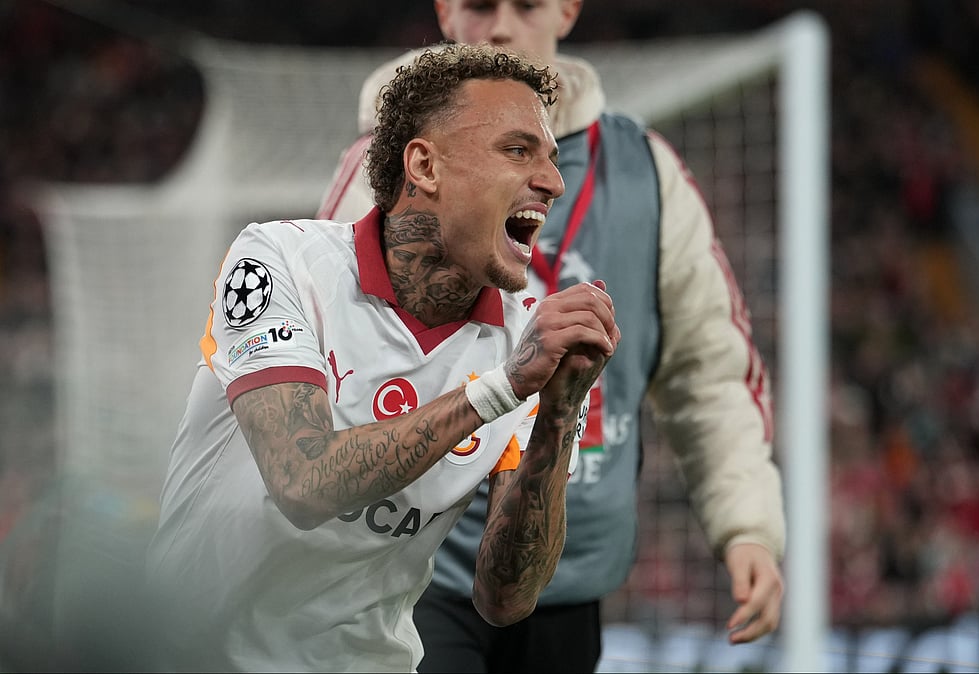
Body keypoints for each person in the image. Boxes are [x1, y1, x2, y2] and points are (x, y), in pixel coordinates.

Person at [317, 2, 785, 672]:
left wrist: (748, 528)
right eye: (480, 5)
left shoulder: (646, 174)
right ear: (447, 12)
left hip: (570, 569)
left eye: (526, 4)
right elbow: (338, 352)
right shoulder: (385, 169)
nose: (501, 26)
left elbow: (708, 371)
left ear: (566, 9)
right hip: (418, 569)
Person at [144, 42, 622, 672]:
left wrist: (561, 409)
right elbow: (304, 483)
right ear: (424, 165)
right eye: (517, 150)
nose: (553, 182)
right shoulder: (279, 262)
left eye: (553, 160)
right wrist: (502, 390)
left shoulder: (520, 339)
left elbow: (506, 598)